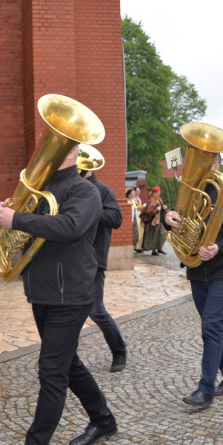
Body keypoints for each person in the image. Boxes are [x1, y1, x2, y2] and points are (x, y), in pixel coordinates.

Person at [0, 145, 118, 445]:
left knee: (51, 371)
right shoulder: (38, 191)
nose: (47, 153)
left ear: (73, 154)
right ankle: (103, 420)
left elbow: (69, 227)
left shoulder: (84, 191)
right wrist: (3, 218)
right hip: (42, 291)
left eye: (60, 147)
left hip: (71, 295)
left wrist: (15, 218)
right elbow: (29, 232)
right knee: (67, 364)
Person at [164, 162, 223, 408]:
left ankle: (205, 389)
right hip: (197, 271)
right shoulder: (193, 195)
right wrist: (167, 218)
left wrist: (219, 247)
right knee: (214, 326)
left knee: (211, 325)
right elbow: (176, 220)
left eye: (206, 160)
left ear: (216, 164)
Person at [78, 146, 128, 373]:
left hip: (93, 259)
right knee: (71, 311)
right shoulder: (71, 190)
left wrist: (92, 208)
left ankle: (119, 350)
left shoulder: (102, 191)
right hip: (72, 259)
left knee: (96, 310)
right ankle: (66, 358)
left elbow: (116, 218)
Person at [140, 186, 167, 255]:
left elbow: (161, 208)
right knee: (155, 235)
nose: (159, 194)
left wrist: (164, 207)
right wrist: (156, 210)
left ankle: (159, 248)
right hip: (154, 221)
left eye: (159, 193)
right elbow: (149, 211)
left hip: (160, 219)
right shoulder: (151, 200)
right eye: (158, 193)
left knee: (163, 233)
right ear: (154, 193)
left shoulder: (159, 199)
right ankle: (154, 250)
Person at [125, 186, 144, 252]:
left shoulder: (133, 200)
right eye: (132, 194)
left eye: (134, 194)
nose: (133, 195)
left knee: (136, 233)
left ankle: (135, 246)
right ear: (128, 194)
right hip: (131, 219)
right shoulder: (127, 201)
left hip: (135, 218)